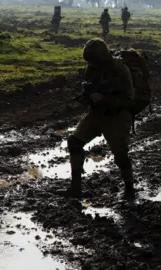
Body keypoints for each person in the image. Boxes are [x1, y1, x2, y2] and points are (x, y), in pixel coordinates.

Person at [66, 39, 135, 200]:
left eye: (94, 60)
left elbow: (128, 100)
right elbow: (88, 87)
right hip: (96, 114)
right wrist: (86, 96)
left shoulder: (121, 70)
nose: (92, 64)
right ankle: (75, 188)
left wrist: (104, 97)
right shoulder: (91, 68)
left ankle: (129, 189)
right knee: (74, 142)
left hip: (117, 116)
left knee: (121, 156)